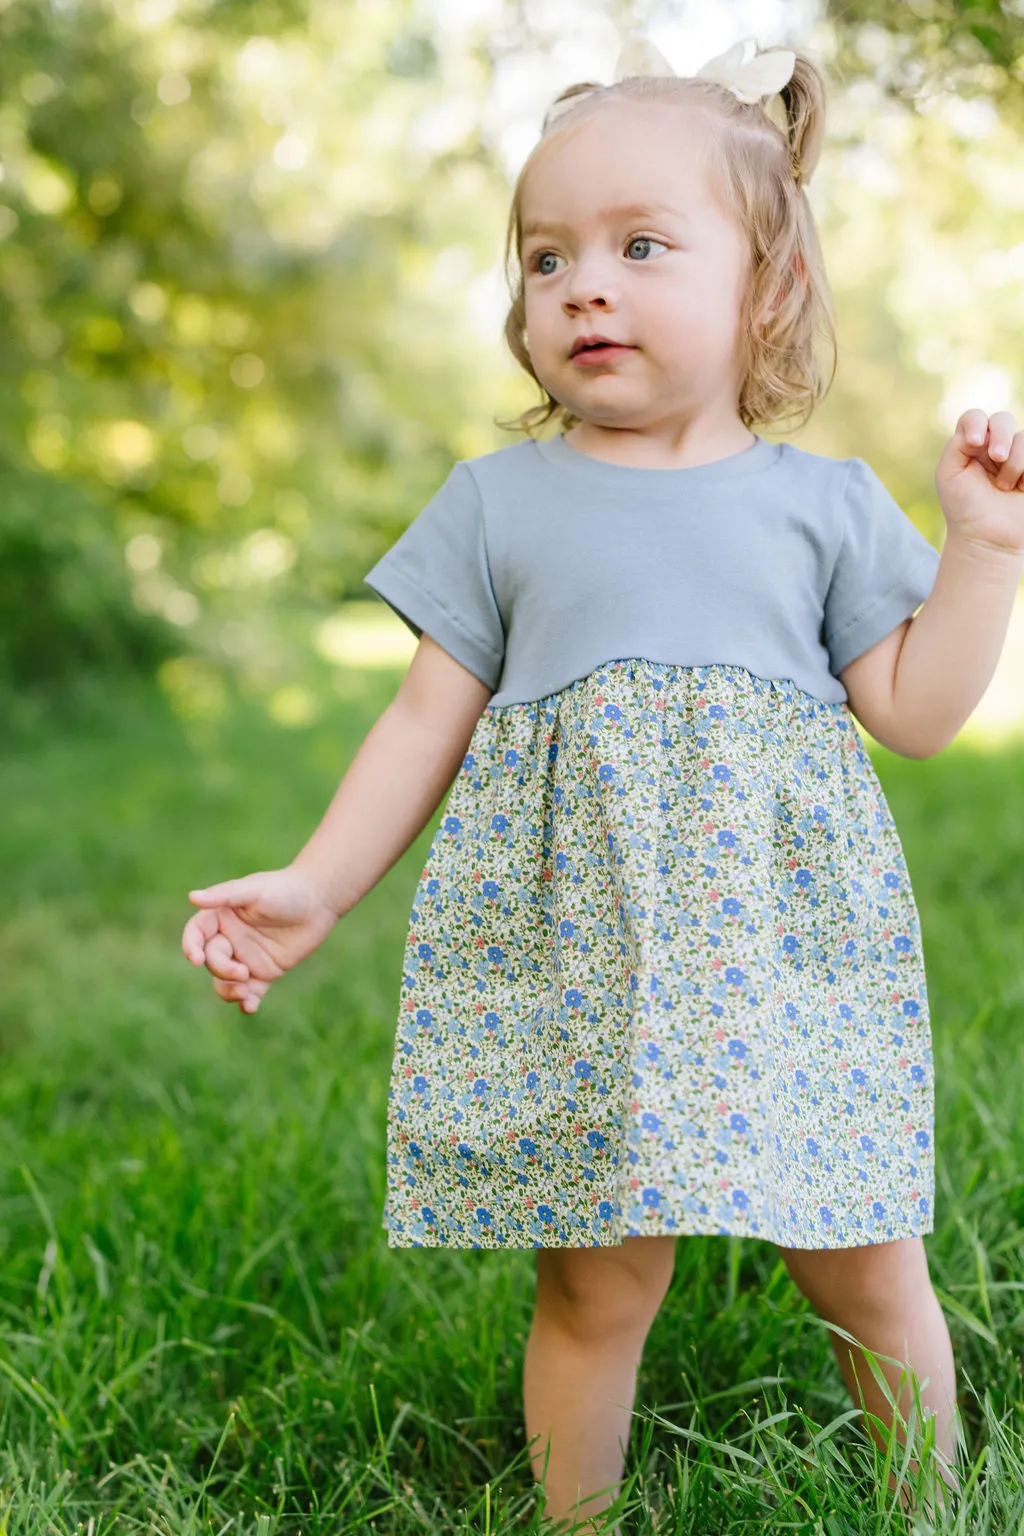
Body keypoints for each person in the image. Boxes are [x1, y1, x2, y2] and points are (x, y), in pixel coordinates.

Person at [182, 29, 1024, 1534]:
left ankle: (939, 1508)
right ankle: (575, 1517)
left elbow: (916, 708)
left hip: (782, 956)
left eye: (642, 245)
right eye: (547, 254)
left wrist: (984, 553)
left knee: (862, 1258)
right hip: (583, 958)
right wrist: (314, 885)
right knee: (594, 1275)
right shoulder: (499, 503)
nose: (583, 285)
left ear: (765, 286)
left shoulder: (817, 505)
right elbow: (419, 726)